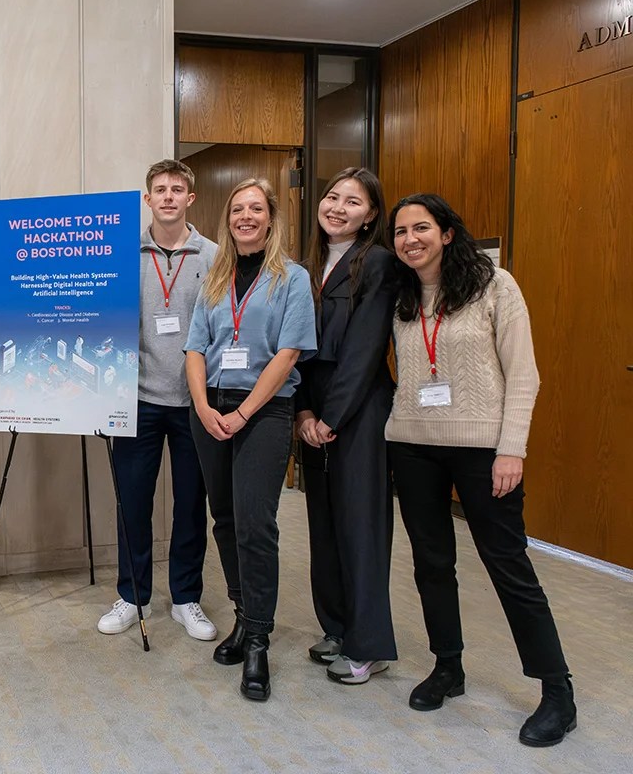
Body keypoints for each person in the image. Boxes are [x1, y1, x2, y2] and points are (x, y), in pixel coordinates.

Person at [387, 193, 576, 746]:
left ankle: (556, 690)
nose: (409, 239)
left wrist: (511, 449)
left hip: (483, 450)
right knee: (431, 563)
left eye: (421, 228)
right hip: (413, 445)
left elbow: (524, 375)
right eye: (400, 232)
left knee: (507, 564)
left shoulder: (496, 284)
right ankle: (449, 666)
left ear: (447, 233)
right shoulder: (398, 295)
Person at [184, 177, 316, 701]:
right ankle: (243, 616)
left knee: (257, 523)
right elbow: (195, 348)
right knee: (226, 519)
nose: (245, 217)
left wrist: (242, 412)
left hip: (262, 411)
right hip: (209, 407)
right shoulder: (214, 278)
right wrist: (202, 407)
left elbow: (288, 354)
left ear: (270, 217)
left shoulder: (293, 278)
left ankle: (258, 638)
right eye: (237, 209)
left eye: (255, 209)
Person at [98, 159, 219, 641]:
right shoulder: (122, 253)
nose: (168, 197)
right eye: (159, 190)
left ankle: (186, 598)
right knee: (133, 502)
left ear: (191, 198)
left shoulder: (213, 255)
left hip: (195, 402)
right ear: (147, 199)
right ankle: (132, 596)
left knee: (192, 504)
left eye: (177, 189)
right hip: (138, 401)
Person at [294, 168, 400, 684]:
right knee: (326, 526)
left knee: (361, 527)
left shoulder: (377, 263)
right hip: (313, 409)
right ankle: (337, 626)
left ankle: (369, 643)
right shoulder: (306, 266)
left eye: (352, 202)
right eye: (332, 196)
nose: (337, 207)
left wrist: (331, 416)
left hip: (358, 412)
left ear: (371, 215)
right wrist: (304, 413)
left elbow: (363, 350)